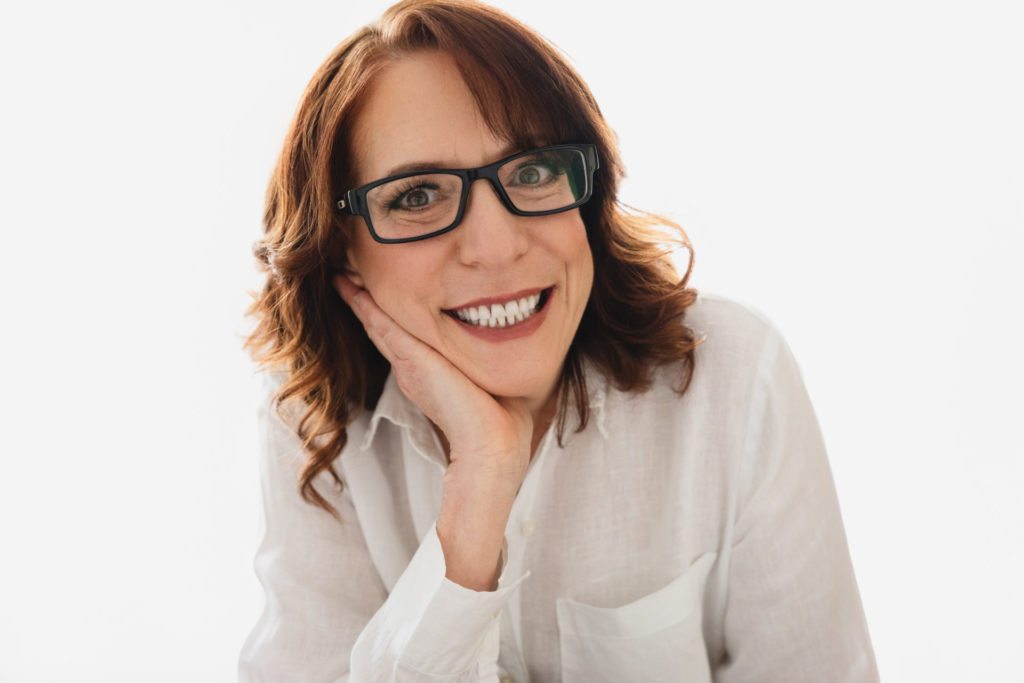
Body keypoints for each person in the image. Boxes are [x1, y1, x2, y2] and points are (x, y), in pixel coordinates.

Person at [238, 1, 879, 680]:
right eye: (418, 195)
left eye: (533, 171)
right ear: (344, 254)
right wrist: (479, 489)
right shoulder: (316, 426)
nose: (496, 246)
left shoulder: (735, 378)